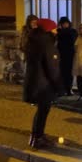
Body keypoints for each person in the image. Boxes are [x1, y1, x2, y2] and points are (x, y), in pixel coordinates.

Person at [23, 19, 62, 149]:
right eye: (55, 28)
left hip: (35, 82)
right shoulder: (46, 43)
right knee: (43, 111)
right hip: (43, 85)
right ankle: (38, 138)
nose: (57, 31)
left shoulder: (34, 40)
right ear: (49, 30)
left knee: (41, 111)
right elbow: (52, 68)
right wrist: (58, 86)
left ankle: (35, 136)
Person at [57, 16, 78, 96]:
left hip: (70, 54)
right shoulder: (59, 32)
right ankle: (62, 89)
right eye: (63, 24)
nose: (65, 25)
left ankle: (69, 88)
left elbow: (74, 41)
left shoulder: (72, 31)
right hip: (61, 54)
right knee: (62, 72)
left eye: (66, 23)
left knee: (69, 73)